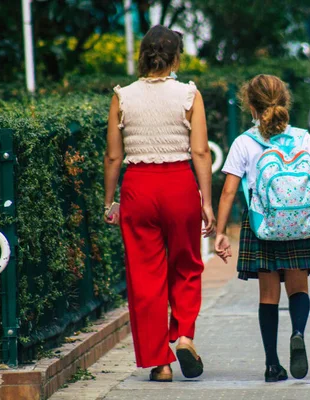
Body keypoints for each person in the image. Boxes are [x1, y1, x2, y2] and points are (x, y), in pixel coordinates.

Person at [104, 25, 216, 382]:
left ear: (144, 56)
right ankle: (183, 335)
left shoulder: (123, 97)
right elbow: (200, 151)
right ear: (176, 58)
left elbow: (112, 156)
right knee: (187, 264)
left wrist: (110, 201)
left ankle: (160, 363)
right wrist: (207, 202)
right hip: (179, 184)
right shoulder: (188, 95)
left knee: (145, 276)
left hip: (138, 187)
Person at [214, 74, 310, 383]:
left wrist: (221, 232)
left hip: (262, 225)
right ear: (284, 102)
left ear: (250, 106)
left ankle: (271, 365)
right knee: (298, 287)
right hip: (300, 224)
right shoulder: (303, 137)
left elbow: (228, 191)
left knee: (268, 295)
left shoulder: (244, 142)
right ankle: (297, 332)